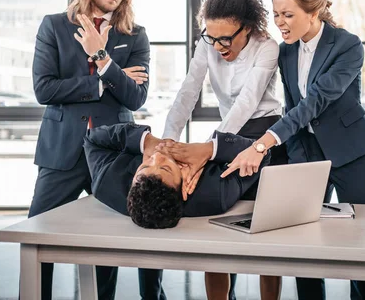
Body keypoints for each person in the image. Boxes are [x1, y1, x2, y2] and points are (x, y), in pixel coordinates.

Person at [225, 0, 365, 300]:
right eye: (277, 14)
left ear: (314, 12)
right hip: (308, 156)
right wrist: (296, 158)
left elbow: (317, 100)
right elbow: (292, 106)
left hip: (352, 155)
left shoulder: (347, 45)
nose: (280, 22)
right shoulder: (286, 52)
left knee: (362, 247)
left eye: (288, 14)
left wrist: (264, 142)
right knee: (305, 246)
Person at [29, 0, 156, 300]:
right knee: (38, 233)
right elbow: (44, 88)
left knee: (107, 241)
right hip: (61, 151)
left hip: (112, 153)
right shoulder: (54, 26)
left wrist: (103, 60)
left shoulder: (135, 35)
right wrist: (105, 82)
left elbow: (135, 97)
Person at [161, 0, 286, 298]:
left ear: (247, 28)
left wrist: (207, 149)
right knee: (214, 229)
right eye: (211, 38)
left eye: (226, 39)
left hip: (262, 136)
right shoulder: (208, 43)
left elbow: (247, 103)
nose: (217, 47)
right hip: (224, 135)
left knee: (266, 236)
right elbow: (189, 90)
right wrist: (167, 140)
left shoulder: (267, 46)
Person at [83, 123, 276, 300]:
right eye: (167, 168)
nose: (157, 156)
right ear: (182, 187)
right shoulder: (216, 192)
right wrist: (209, 150)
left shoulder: (106, 183)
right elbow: (262, 153)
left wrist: (146, 142)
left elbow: (93, 138)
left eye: (145, 166)